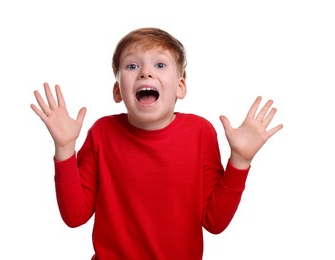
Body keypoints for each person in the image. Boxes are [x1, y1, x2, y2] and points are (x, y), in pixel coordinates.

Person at [30, 27, 283, 260]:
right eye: (131, 66)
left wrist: (240, 161)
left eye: (160, 64)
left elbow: (214, 222)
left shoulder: (201, 133)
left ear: (180, 87)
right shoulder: (102, 133)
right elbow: (75, 216)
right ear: (118, 91)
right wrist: (64, 150)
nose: (145, 72)